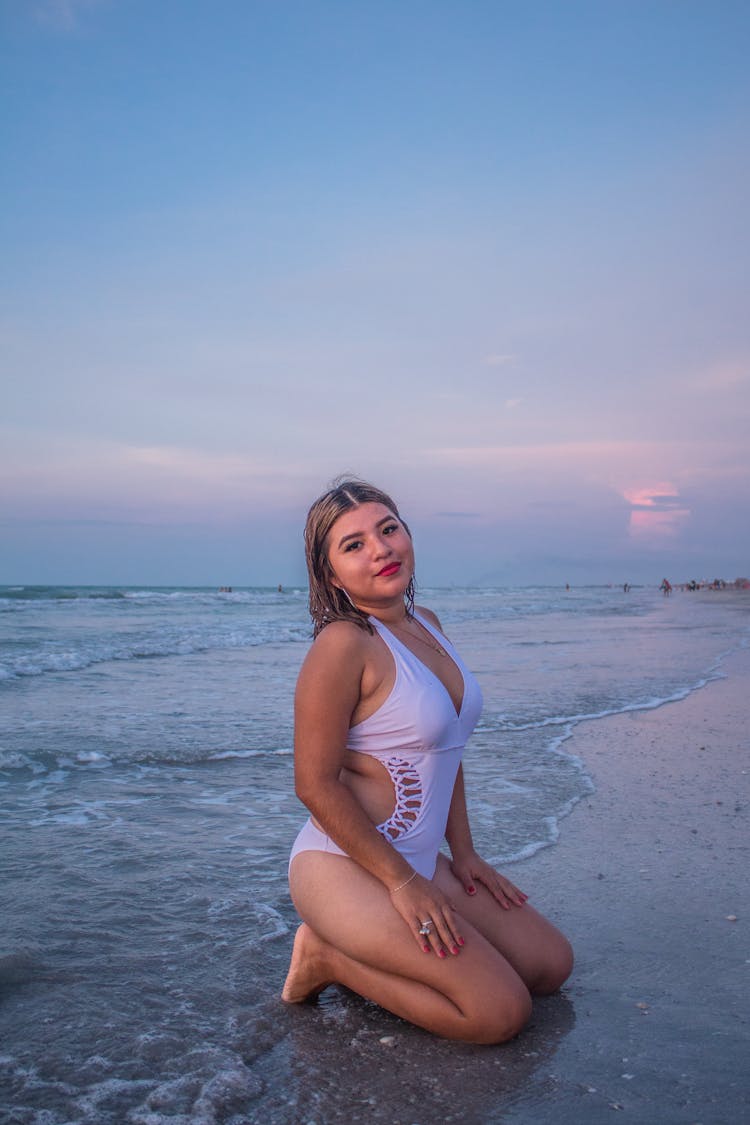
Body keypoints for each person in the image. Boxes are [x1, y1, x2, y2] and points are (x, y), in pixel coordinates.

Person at [282, 479, 573, 1043]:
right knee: (499, 1014)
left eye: (388, 529)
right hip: (345, 866)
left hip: (419, 858)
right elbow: (314, 785)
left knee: (549, 966)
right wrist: (400, 883)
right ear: (330, 574)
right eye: (354, 544)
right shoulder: (342, 645)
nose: (381, 549)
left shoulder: (428, 625)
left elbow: (447, 747)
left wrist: (464, 854)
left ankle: (373, 943)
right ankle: (326, 957)